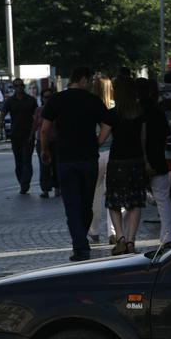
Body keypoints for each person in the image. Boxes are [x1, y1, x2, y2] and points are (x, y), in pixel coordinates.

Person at [41, 67, 111, 262]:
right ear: (82, 79)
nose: (90, 84)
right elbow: (107, 123)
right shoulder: (92, 100)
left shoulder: (56, 99)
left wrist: (44, 150)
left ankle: (80, 246)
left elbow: (45, 129)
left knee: (72, 205)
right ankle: (81, 242)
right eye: (89, 80)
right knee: (86, 204)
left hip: (65, 159)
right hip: (88, 159)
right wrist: (98, 141)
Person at [98, 76, 148, 255]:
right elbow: (143, 139)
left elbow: (101, 139)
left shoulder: (112, 114)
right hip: (136, 160)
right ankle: (131, 241)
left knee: (114, 202)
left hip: (117, 160)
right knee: (135, 203)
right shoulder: (140, 113)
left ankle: (120, 238)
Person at [136, 77, 171, 248]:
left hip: (136, 161)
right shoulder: (158, 112)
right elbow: (165, 135)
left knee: (131, 202)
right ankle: (168, 236)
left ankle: (123, 235)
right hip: (157, 159)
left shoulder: (134, 112)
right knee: (163, 198)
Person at [88, 74, 117, 244]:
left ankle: (93, 230)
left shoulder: (89, 106)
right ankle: (113, 232)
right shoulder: (114, 106)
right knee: (112, 192)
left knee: (95, 193)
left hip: (96, 154)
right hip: (113, 153)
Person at [2, 78, 38, 194]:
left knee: (26, 160)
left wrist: (33, 133)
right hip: (15, 135)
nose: (19, 87)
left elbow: (36, 118)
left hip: (28, 135)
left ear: (23, 86)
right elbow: (2, 114)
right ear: (14, 88)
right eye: (16, 86)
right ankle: (22, 182)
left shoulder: (31, 100)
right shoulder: (10, 101)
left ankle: (25, 183)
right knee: (18, 162)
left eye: (20, 85)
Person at [33, 88, 59, 198]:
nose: (47, 99)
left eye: (50, 97)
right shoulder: (39, 110)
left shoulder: (58, 109)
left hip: (55, 141)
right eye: (45, 97)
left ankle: (58, 188)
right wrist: (31, 137)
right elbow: (35, 124)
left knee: (57, 166)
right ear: (42, 98)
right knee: (44, 166)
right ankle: (45, 190)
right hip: (41, 141)